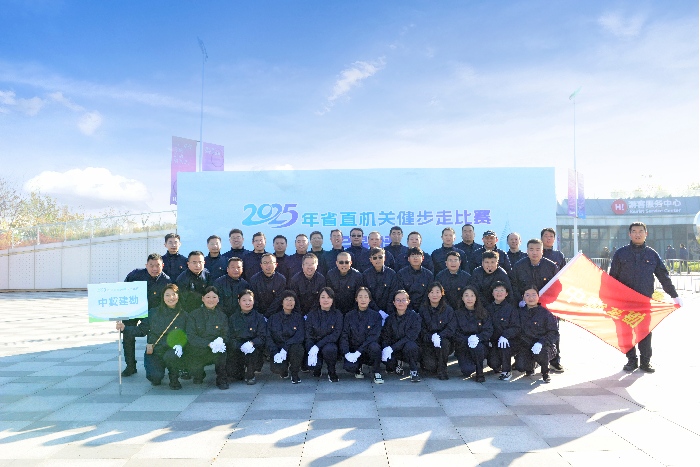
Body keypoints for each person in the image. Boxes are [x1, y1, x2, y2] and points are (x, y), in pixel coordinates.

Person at [610, 222, 681, 373]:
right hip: (624, 302)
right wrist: (609, 299)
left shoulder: (652, 254)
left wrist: (674, 295)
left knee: (645, 332)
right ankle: (631, 360)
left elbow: (663, 276)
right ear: (629, 234)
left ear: (646, 234)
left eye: (641, 231)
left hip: (644, 302)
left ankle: (645, 362)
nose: (637, 234)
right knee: (625, 331)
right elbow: (612, 279)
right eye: (634, 231)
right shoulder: (620, 254)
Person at [117, 284, 187, 389]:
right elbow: (141, 330)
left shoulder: (184, 315)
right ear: (163, 297)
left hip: (173, 349)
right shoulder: (153, 313)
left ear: (178, 296)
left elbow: (188, 334)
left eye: (174, 294)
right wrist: (124, 328)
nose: (171, 298)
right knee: (155, 378)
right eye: (167, 295)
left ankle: (174, 377)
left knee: (172, 356)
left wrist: (181, 344)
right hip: (155, 349)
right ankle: (159, 369)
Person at [120, 253, 172, 376]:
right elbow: (123, 290)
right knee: (128, 335)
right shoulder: (135, 275)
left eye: (157, 265)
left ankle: (154, 365)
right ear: (146, 265)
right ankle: (130, 366)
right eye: (151, 265)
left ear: (162, 265)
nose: (154, 269)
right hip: (134, 310)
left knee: (153, 338)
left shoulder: (166, 281)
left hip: (152, 313)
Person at [184, 286, 229, 389]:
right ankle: (199, 374)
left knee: (222, 353)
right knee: (195, 372)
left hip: (215, 350)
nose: (211, 300)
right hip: (199, 348)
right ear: (203, 298)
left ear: (218, 299)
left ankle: (221, 379)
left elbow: (226, 334)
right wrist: (208, 344)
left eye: (214, 297)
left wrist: (220, 341)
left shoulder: (222, 316)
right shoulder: (194, 315)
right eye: (208, 297)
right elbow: (191, 336)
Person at [513, 286, 558, 383]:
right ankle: (531, 365)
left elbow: (554, 333)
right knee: (520, 367)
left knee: (542, 353)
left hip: (544, 345)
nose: (531, 298)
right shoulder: (519, 312)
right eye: (527, 295)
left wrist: (541, 342)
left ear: (538, 297)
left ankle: (545, 372)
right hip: (526, 345)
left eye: (534, 295)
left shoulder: (545, 313)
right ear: (523, 297)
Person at [340, 287, 383, 384]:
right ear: (356, 299)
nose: (363, 299)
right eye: (360, 297)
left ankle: (376, 372)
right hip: (354, 349)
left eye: (366, 297)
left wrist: (359, 351)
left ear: (370, 299)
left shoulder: (376, 316)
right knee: (349, 367)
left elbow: (373, 337)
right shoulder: (349, 315)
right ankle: (358, 367)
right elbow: (344, 335)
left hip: (368, 349)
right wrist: (346, 353)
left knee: (375, 347)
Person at [453, 286, 493, 382]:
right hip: (463, 346)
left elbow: (488, 330)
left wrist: (478, 337)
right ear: (462, 298)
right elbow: (454, 332)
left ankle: (480, 372)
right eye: (466, 295)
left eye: (472, 295)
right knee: (467, 371)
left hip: (480, 346)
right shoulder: (457, 314)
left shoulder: (483, 312)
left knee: (478, 347)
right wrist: (467, 339)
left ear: (476, 297)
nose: (469, 299)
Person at [227, 289, 267, 384]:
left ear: (253, 301)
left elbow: (262, 336)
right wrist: (238, 345)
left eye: (250, 300)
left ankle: (250, 375)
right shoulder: (233, 318)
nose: (247, 303)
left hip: (253, 347)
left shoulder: (259, 317)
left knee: (252, 353)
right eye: (244, 300)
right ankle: (240, 371)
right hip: (237, 347)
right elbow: (229, 336)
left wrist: (252, 343)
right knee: (233, 373)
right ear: (239, 302)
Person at [381, 290, 422, 382]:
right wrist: (386, 349)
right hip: (395, 349)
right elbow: (385, 337)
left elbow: (411, 336)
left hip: (410, 348)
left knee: (410, 346)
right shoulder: (390, 319)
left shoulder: (415, 317)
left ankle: (414, 370)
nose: (400, 302)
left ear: (408, 301)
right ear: (394, 302)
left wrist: (392, 348)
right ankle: (397, 363)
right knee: (389, 364)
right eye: (398, 300)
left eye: (403, 300)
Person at [305, 287, 344, 382]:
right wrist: (311, 348)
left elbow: (335, 335)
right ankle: (317, 368)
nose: (326, 300)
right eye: (323, 297)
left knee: (330, 349)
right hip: (314, 343)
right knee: (313, 364)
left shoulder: (338, 314)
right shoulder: (312, 314)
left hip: (329, 344)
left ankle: (331, 371)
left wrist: (318, 346)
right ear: (319, 299)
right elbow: (308, 334)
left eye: (329, 297)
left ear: (333, 300)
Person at [267, 290, 305, 384]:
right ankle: (283, 370)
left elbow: (300, 336)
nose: (289, 302)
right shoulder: (273, 318)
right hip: (278, 348)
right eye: (287, 299)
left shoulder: (299, 318)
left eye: (292, 300)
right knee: (277, 368)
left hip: (292, 346)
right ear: (282, 302)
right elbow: (268, 337)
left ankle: (294, 373)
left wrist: (286, 347)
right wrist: (275, 352)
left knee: (298, 349)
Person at [419, 282, 456, 380]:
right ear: (428, 294)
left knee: (444, 343)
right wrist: (431, 337)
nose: (434, 295)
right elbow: (421, 329)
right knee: (430, 366)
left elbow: (451, 328)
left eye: (437, 292)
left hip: (443, 342)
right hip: (428, 343)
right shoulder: (423, 310)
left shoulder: (448, 310)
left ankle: (442, 370)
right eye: (431, 292)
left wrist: (440, 336)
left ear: (442, 294)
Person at [486, 281, 520, 381]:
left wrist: (505, 335)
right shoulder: (488, 309)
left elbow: (516, 327)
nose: (499, 293)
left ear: (506, 293)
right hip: (494, 342)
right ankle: (498, 364)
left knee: (504, 345)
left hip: (509, 341)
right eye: (496, 290)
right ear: (492, 293)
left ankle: (506, 371)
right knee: (493, 363)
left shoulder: (511, 309)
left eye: (502, 290)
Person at [362, 247, 400, 322]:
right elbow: (366, 295)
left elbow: (393, 293)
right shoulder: (365, 275)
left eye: (380, 257)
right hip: (371, 312)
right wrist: (378, 311)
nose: (378, 260)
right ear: (371, 260)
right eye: (375, 258)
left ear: (384, 258)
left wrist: (387, 313)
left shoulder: (392, 274)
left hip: (389, 312)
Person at [249, 253, 288, 319]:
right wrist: (261, 316)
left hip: (276, 315)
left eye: (271, 262)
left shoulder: (281, 279)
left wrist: (267, 315)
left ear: (276, 265)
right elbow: (254, 300)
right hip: (258, 315)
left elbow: (278, 300)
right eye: (265, 263)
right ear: (261, 265)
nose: (268, 265)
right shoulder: (254, 279)